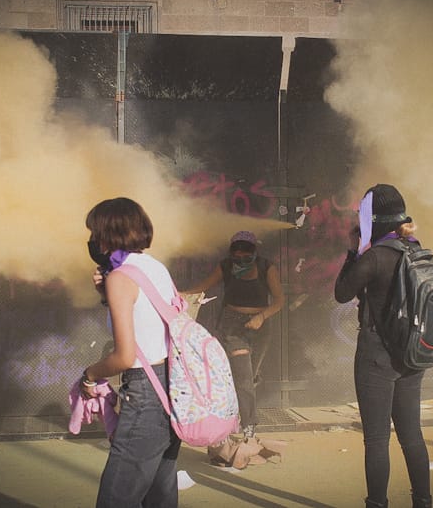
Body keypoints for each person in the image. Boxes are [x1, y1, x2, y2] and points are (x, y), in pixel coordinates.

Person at [334, 184, 432, 508]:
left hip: (377, 356)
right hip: (412, 354)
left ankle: (377, 503)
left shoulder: (374, 257)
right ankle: (423, 502)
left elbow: (342, 293)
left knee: (377, 440)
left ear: (372, 220)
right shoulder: (416, 250)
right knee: (412, 436)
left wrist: (353, 251)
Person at [80, 198, 181, 508]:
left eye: (95, 233)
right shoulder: (155, 268)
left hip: (145, 394)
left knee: (116, 498)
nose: (92, 240)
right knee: (160, 495)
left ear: (108, 234)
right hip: (172, 387)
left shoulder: (120, 277)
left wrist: (90, 375)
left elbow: (125, 357)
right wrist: (106, 293)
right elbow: (149, 323)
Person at [182, 230, 284, 440]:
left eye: (246, 256)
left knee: (250, 376)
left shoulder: (267, 268)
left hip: (260, 326)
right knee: (243, 377)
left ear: (254, 253)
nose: (240, 261)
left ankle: (239, 412)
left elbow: (279, 300)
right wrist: (181, 295)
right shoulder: (226, 267)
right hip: (232, 326)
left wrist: (261, 317)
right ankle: (248, 426)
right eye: (236, 256)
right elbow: (203, 287)